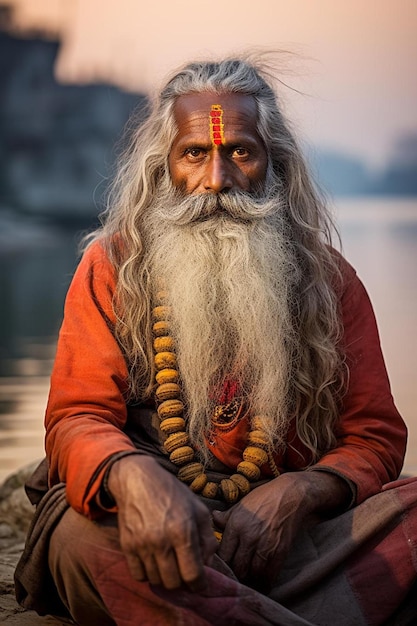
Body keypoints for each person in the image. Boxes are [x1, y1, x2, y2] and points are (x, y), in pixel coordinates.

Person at [15, 56, 417, 626]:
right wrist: (135, 479)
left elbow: (374, 435)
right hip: (151, 530)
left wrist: (303, 492)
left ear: (273, 164)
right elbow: (76, 417)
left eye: (240, 152)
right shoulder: (113, 266)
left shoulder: (328, 281)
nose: (217, 181)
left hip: (287, 538)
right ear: (165, 167)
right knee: (84, 539)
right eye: (195, 153)